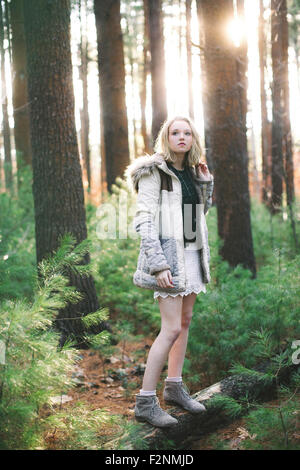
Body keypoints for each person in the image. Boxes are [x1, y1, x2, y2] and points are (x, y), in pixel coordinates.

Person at [125, 116, 214, 428]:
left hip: (192, 255)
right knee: (171, 328)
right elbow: (144, 220)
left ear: (192, 138)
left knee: (185, 322)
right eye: (175, 132)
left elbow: (199, 213)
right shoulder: (155, 173)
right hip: (168, 258)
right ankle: (145, 401)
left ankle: (174, 387)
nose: (181, 137)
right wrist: (158, 264)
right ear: (166, 137)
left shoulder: (190, 171)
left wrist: (205, 183)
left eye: (187, 132)